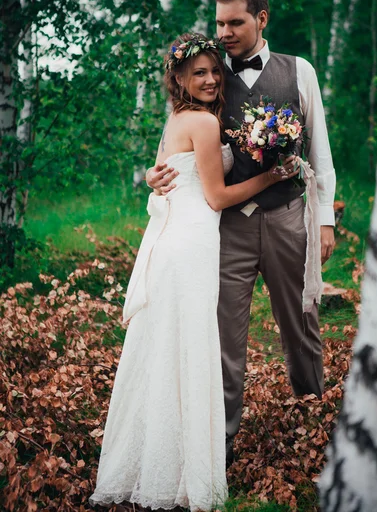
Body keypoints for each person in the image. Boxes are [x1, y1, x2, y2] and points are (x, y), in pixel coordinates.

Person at [89, 33, 299, 512]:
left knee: (168, 350)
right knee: (187, 348)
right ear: (179, 77)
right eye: (198, 72)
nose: (209, 79)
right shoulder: (202, 123)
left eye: (213, 70)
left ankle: (160, 462)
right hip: (190, 244)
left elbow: (168, 175)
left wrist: (152, 176)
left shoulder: (178, 119)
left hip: (176, 243)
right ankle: (181, 473)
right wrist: (273, 175)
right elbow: (217, 197)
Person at [146, 0, 336, 467]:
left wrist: (325, 221)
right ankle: (222, 440)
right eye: (219, 22)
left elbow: (320, 150)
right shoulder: (206, 77)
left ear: (261, 19)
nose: (225, 31)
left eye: (235, 22)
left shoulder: (300, 71)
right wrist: (154, 172)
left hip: (289, 216)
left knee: (301, 323)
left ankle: (313, 415)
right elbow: (176, 142)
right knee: (224, 333)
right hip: (225, 228)